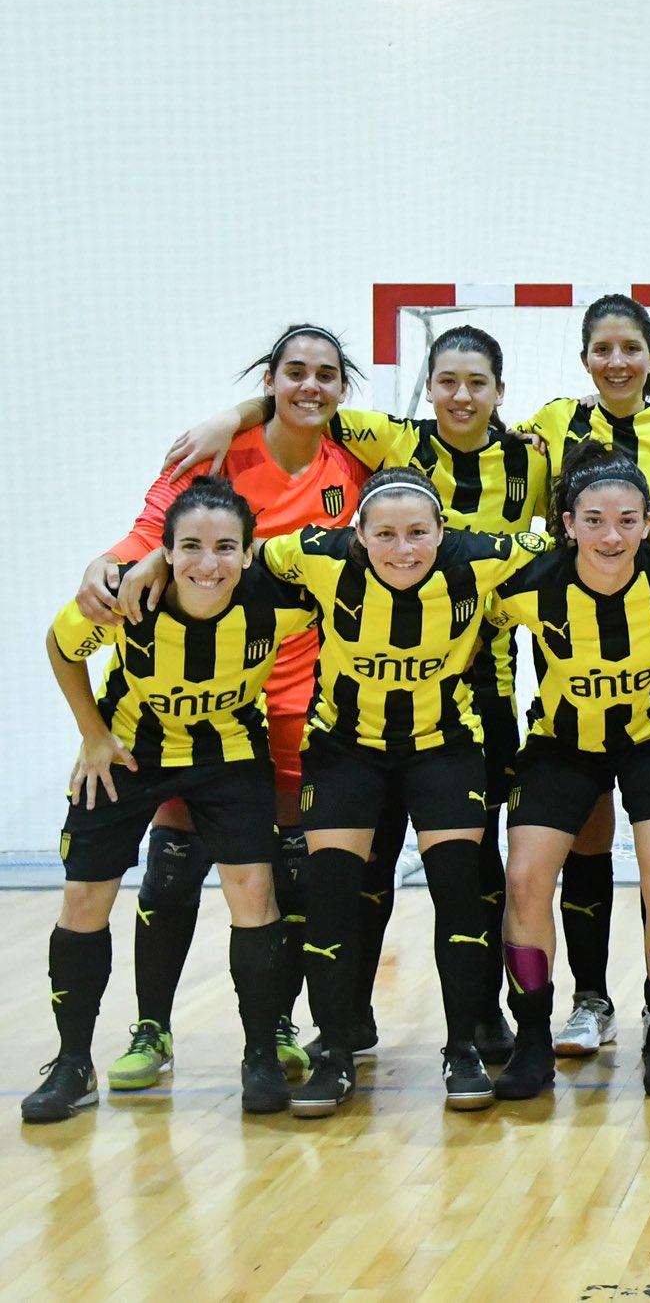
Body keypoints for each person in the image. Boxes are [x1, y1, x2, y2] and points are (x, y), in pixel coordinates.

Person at [173, 324, 550, 1062]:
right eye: (448, 380)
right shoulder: (395, 443)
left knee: (473, 865)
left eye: (478, 383)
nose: (462, 395)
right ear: (430, 385)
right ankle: (347, 1019)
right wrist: (230, 417)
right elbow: (304, 405)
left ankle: (482, 1017)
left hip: (479, 686)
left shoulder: (532, 458)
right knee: (358, 864)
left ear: (501, 394)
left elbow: (592, 511)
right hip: (364, 699)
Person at [73, 324, 372, 1092]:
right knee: (173, 867)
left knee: (284, 873)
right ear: (268, 378)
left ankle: (273, 1020)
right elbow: (144, 541)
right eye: (293, 372)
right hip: (196, 705)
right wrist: (104, 568)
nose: (310, 385)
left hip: (301, 696)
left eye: (326, 375)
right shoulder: (215, 456)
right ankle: (152, 1027)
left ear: (344, 389)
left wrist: (241, 406)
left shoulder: (359, 462)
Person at [252, 466, 548, 1115]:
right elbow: (248, 553)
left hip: (444, 744)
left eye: (418, 532)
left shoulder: (481, 557)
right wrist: (151, 566)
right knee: (331, 897)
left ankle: (463, 1048)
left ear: (445, 532)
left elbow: (577, 546)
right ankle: (333, 1052)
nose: (403, 548)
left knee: (460, 894)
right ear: (356, 532)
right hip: (344, 748)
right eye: (384, 534)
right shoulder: (316, 555)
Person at [24, 480, 318, 1122]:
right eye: (189, 547)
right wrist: (92, 735)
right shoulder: (130, 597)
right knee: (82, 898)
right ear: (166, 550)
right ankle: (73, 1064)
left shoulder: (282, 600)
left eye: (223, 548)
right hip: (131, 755)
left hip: (231, 754)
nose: (207, 564)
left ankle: (261, 1054)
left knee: (253, 893)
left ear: (248, 553)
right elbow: (59, 644)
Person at [513, 294, 650, 1062]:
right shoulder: (546, 426)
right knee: (580, 848)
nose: (616, 361)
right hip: (569, 659)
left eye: (630, 347)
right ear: (584, 361)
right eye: (601, 348)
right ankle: (588, 1000)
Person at [489, 445, 650, 1101]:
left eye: (628, 519)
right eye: (594, 520)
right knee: (526, 878)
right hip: (562, 742)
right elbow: (449, 556)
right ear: (566, 523)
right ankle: (532, 1037)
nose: (611, 535)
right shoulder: (531, 578)